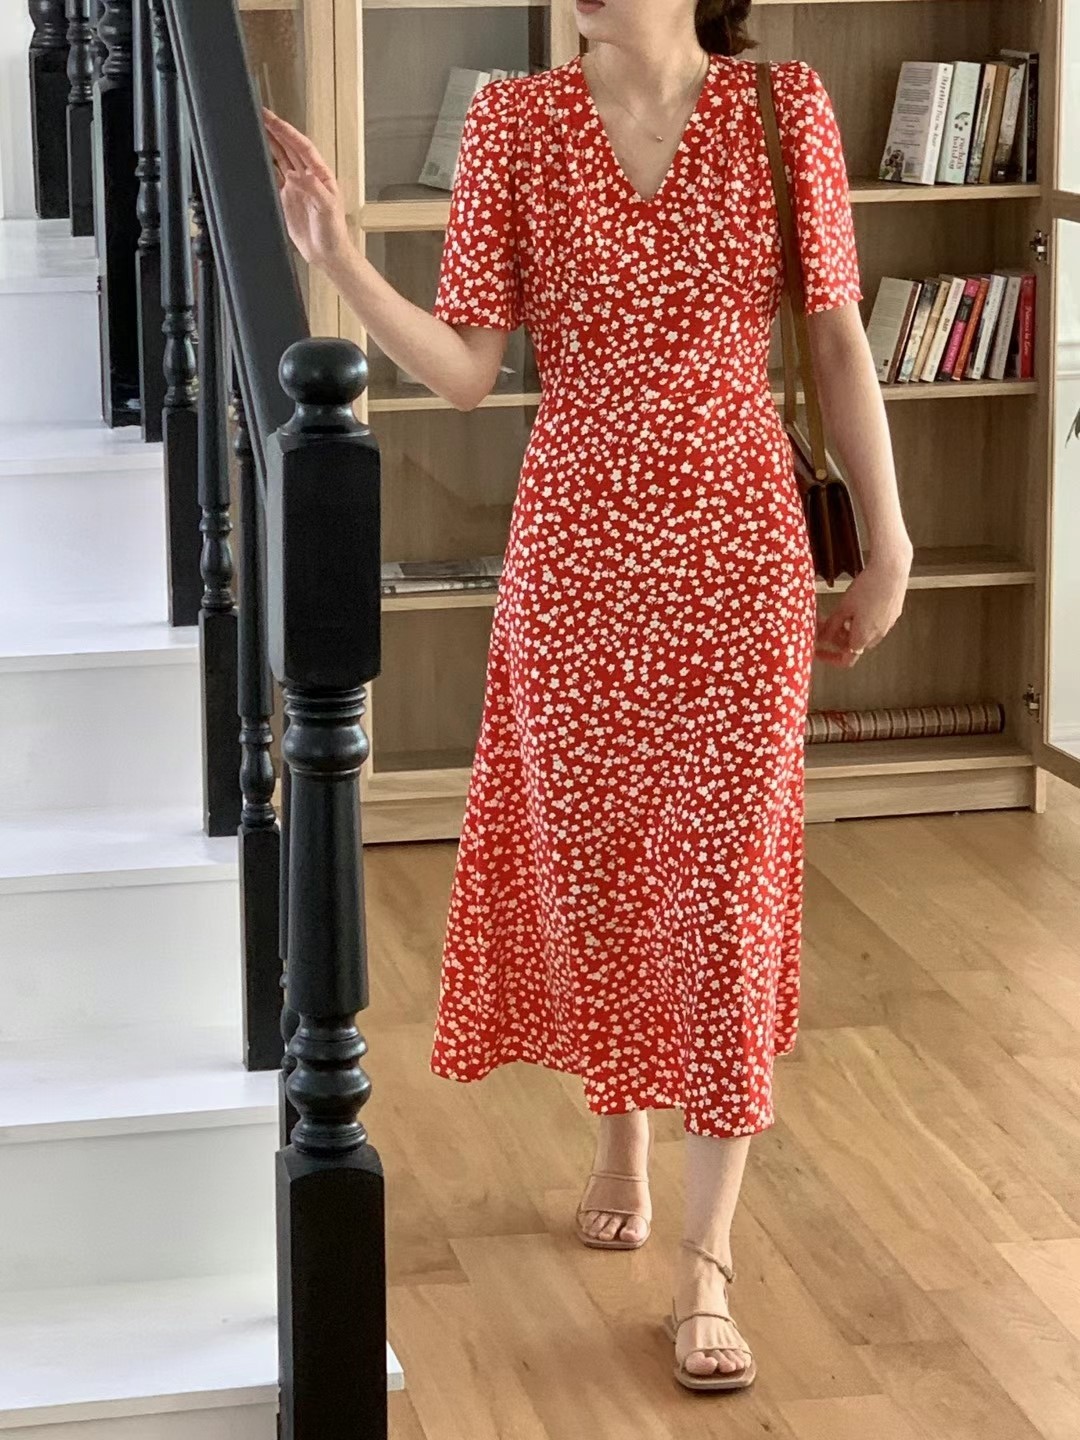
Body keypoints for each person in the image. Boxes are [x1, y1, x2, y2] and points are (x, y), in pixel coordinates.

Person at [264, 0, 912, 1395]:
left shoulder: (783, 110)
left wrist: (891, 540)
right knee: (602, 862)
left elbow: (837, 343)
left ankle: (708, 1260)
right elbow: (466, 370)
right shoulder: (516, 122)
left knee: (726, 886)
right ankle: (619, 1134)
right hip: (575, 556)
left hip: (740, 554)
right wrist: (339, 259)